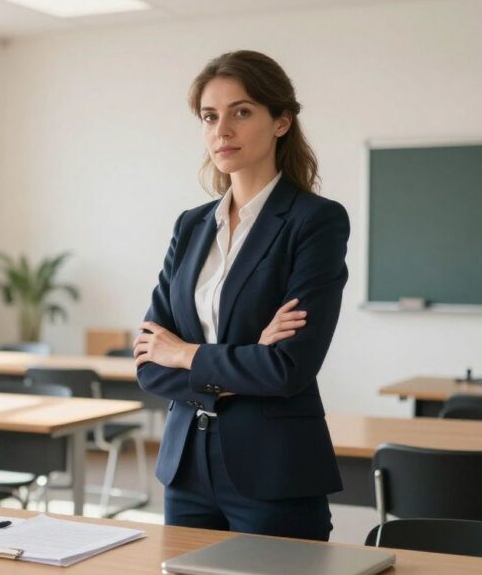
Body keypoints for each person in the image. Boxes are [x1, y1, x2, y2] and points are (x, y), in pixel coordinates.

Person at [133, 50, 349, 541]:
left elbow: (289, 368)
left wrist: (187, 354)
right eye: (210, 116)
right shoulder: (191, 226)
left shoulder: (315, 221)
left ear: (281, 122)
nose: (221, 130)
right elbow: (149, 363)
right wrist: (247, 359)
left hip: (274, 469)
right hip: (185, 469)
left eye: (242, 112)